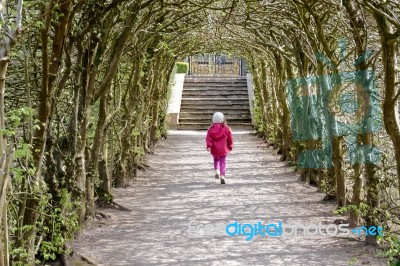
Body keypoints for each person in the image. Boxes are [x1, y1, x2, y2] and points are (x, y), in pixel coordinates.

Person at [206, 112, 233, 184]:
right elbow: (230, 139)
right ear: (223, 119)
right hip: (223, 149)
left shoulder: (210, 129)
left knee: (216, 159)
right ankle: (222, 175)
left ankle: (216, 171)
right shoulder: (226, 129)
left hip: (214, 149)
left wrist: (209, 146)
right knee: (222, 162)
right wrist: (230, 147)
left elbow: (208, 138)